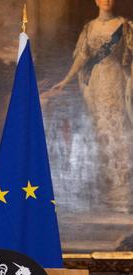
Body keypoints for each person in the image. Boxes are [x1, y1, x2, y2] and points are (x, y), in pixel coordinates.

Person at [45, 0, 133, 213]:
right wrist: (66, 80)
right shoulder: (89, 28)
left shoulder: (125, 26)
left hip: (117, 84)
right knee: (99, 135)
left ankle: (121, 195)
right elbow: (83, 57)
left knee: (117, 135)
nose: (107, 0)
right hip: (93, 86)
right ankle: (103, 195)